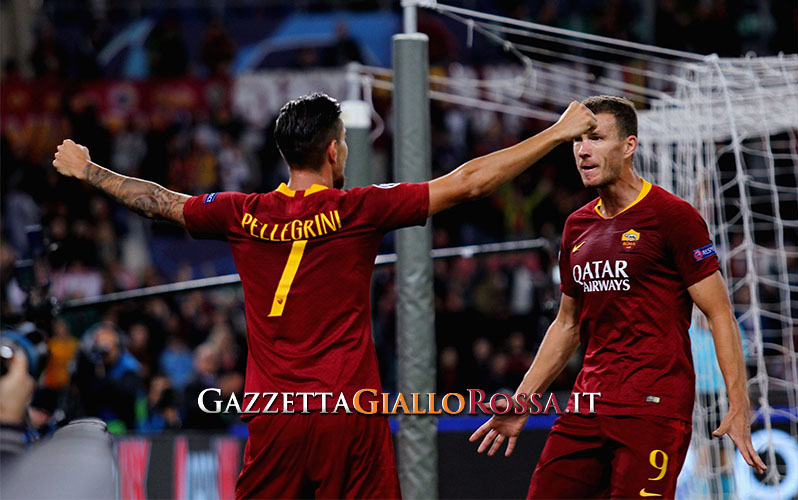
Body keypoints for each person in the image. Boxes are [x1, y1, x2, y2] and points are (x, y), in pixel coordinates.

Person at [52, 92, 596, 499]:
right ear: (335, 151)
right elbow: (469, 181)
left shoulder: (240, 212)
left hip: (273, 414)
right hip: (347, 412)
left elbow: (159, 202)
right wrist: (554, 133)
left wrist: (88, 170)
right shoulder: (359, 208)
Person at [469, 95, 767, 498]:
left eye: (595, 139)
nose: (583, 150)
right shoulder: (577, 226)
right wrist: (523, 399)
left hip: (654, 407)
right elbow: (567, 323)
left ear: (628, 146)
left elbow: (719, 313)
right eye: (577, 141)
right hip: (588, 403)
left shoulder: (672, 216)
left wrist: (738, 402)